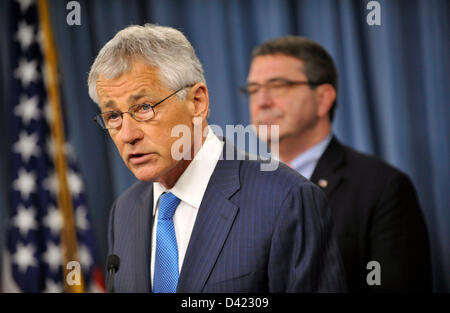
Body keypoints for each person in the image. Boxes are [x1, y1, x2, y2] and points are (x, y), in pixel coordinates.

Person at [87, 24, 346, 293]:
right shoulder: (125, 210)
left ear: (197, 102)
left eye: (143, 108)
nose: (127, 135)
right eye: (113, 116)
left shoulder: (286, 199)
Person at [244, 35, 432, 292]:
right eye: (253, 89)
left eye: (278, 86)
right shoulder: (239, 189)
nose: (262, 101)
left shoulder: (382, 187)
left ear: (323, 98)